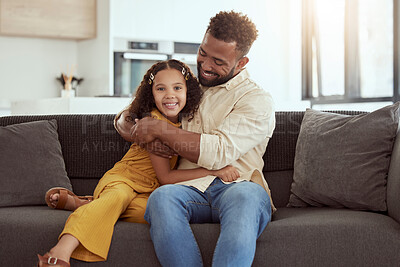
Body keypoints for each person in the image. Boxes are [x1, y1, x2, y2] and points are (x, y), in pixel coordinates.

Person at [37, 59, 241, 266]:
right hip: (124, 181)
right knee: (117, 197)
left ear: (188, 90)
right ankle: (61, 249)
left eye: (177, 87)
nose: (170, 95)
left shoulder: (186, 124)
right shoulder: (153, 124)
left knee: (156, 213)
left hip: (149, 192)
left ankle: (89, 204)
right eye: (161, 89)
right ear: (151, 94)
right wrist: (213, 172)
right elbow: (166, 177)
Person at [115, 11, 276, 267]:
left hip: (238, 186)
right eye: (203, 53)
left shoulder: (255, 99)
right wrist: (134, 129)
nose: (206, 65)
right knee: (161, 198)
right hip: (189, 188)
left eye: (219, 61)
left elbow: (219, 151)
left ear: (242, 62)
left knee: (246, 197)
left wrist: (159, 130)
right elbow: (131, 111)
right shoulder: (187, 86)